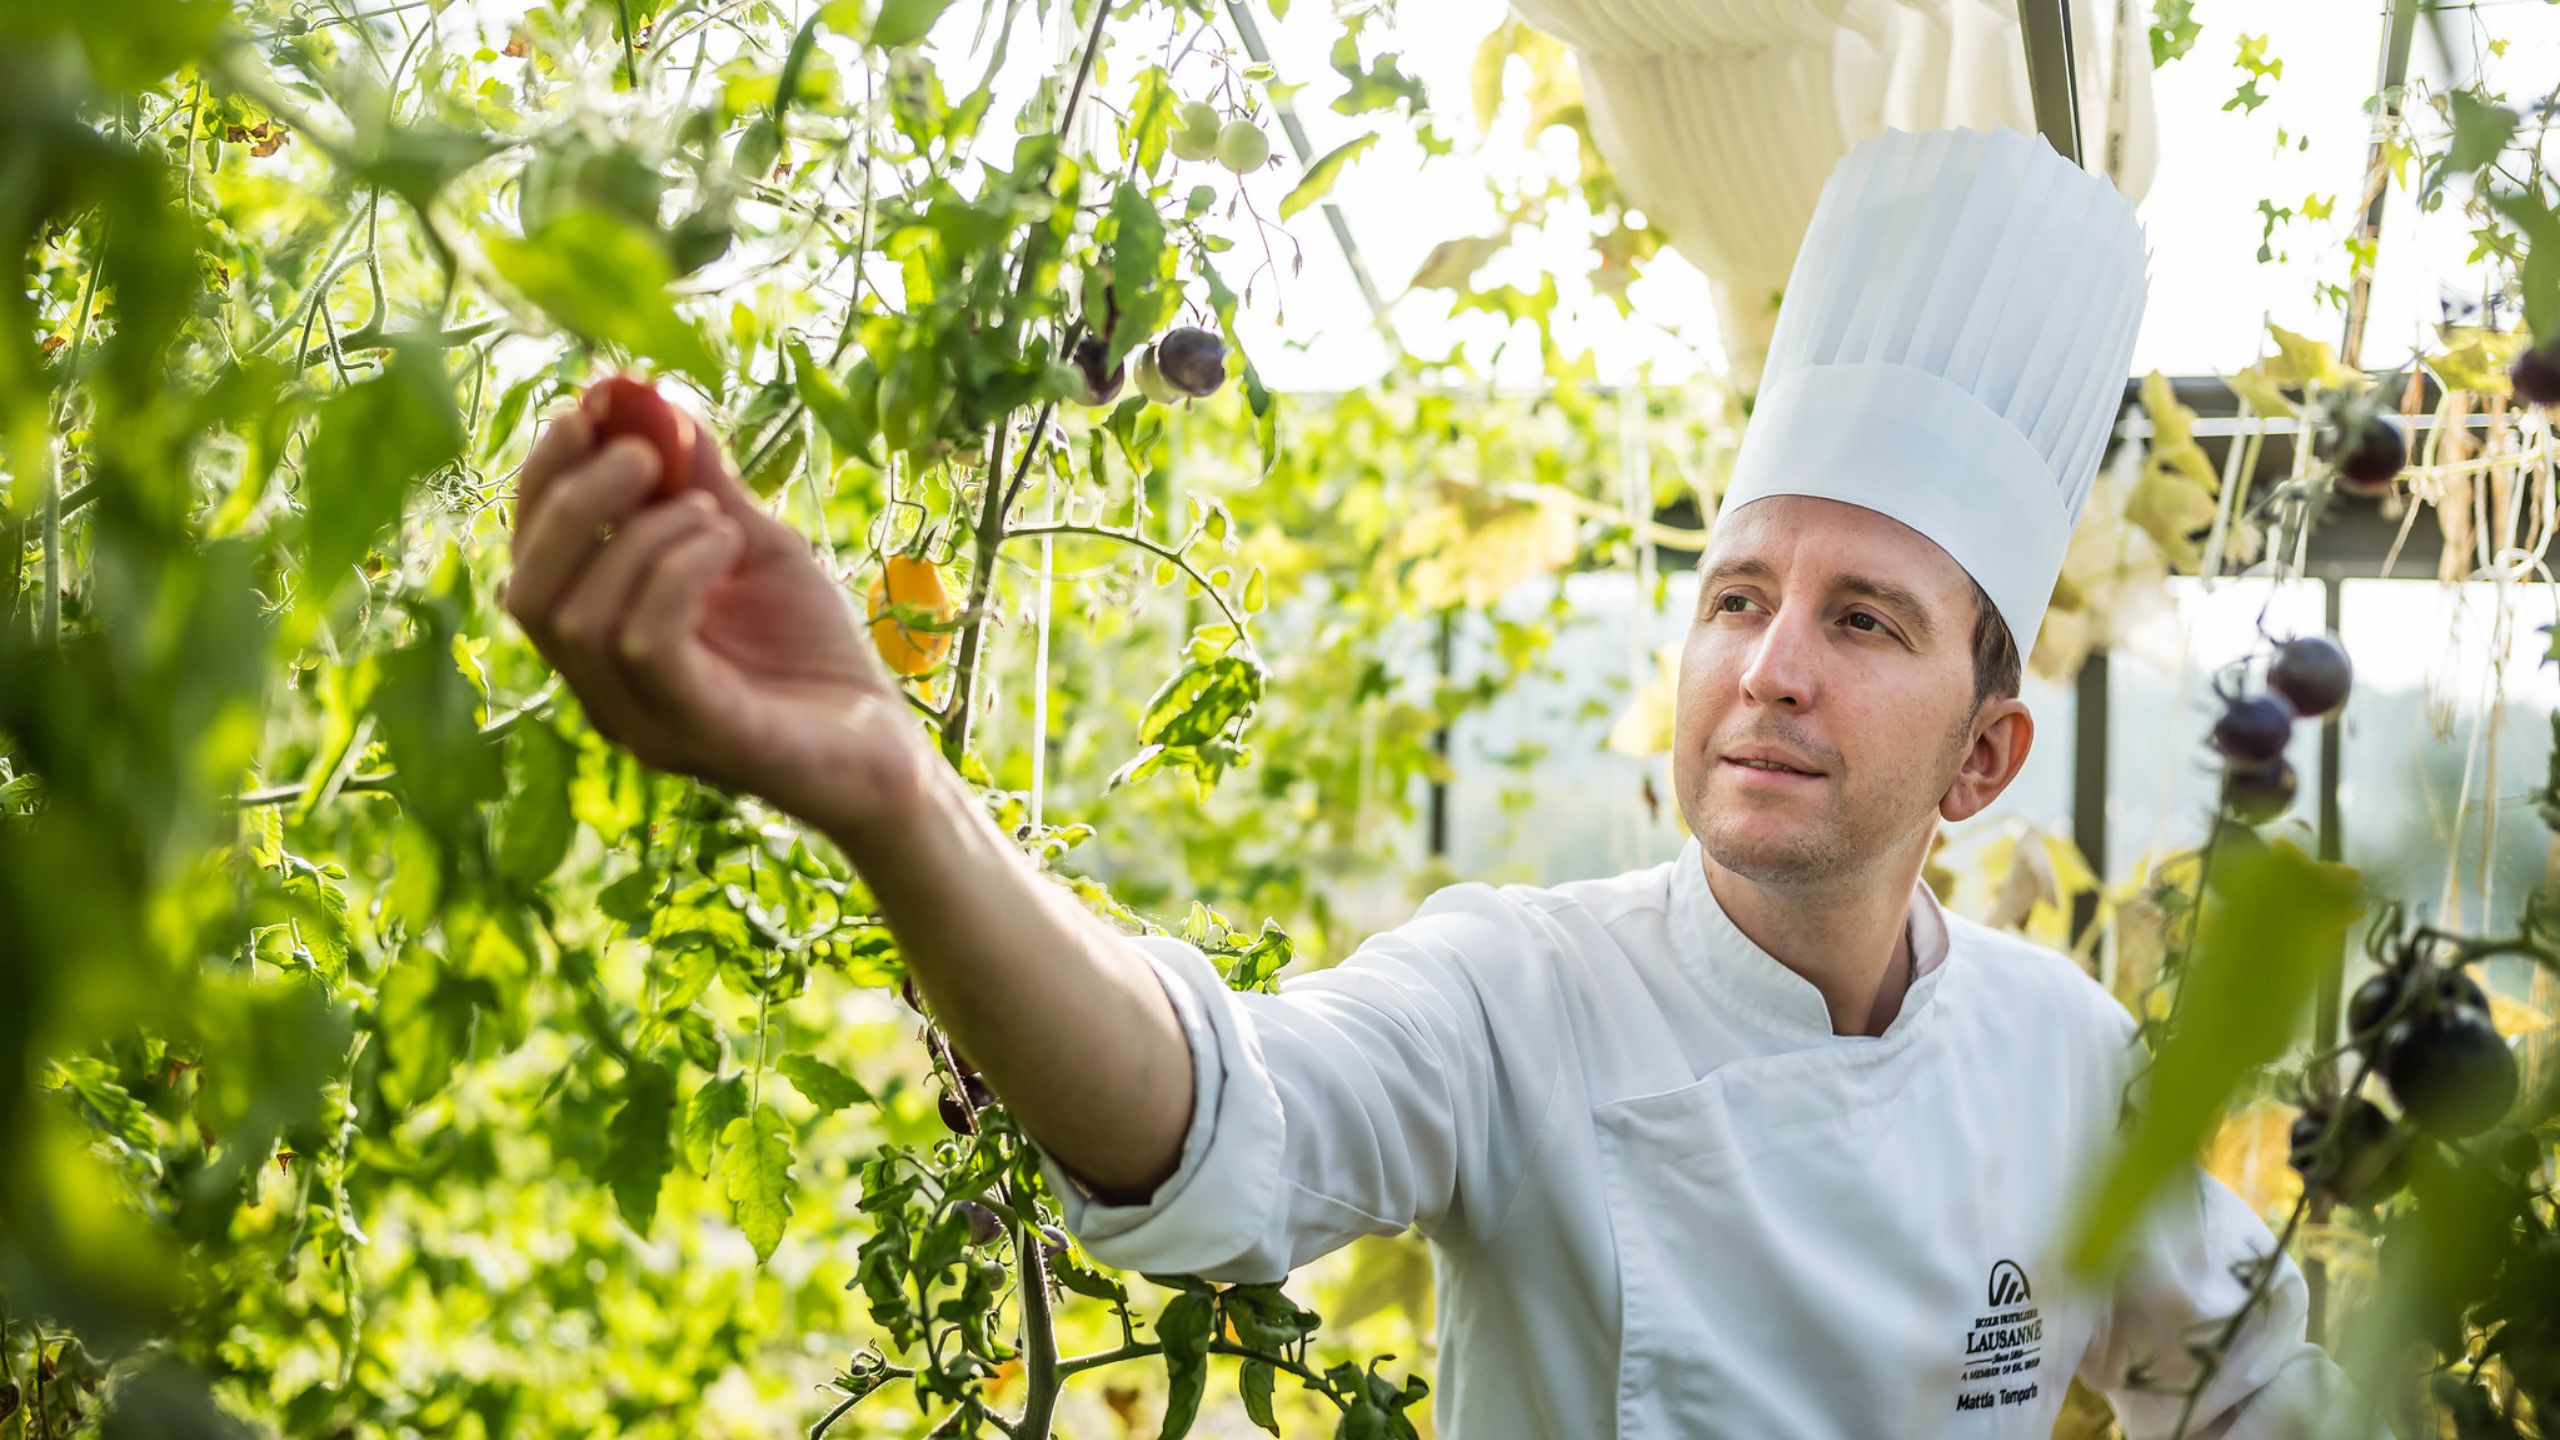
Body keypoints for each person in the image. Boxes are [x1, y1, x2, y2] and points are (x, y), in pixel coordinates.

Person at [501, 125, 2387, 1438]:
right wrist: (891, 792)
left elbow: (2251, 1361)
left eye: (1866, 622)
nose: (1769, 665)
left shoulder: (2063, 1059)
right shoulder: (1519, 995)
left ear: (1986, 757)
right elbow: (1215, 1126)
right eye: (1736, 596)